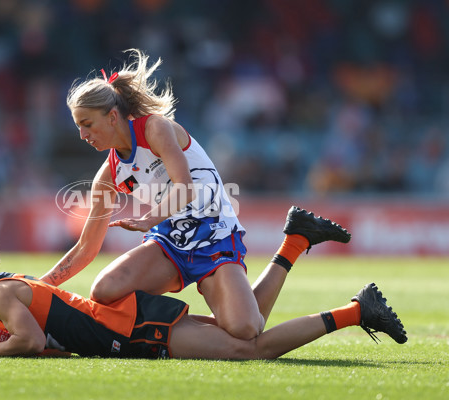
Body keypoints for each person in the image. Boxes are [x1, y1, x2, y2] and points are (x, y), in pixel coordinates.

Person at [41, 48, 351, 340]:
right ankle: (181, 330)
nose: (82, 135)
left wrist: (151, 218)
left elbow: (185, 188)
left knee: (245, 329)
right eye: (78, 126)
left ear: (111, 116)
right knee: (105, 292)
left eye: (87, 124)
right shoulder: (108, 174)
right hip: (168, 241)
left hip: (213, 233)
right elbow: (85, 247)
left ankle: (291, 247)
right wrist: (40, 287)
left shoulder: (155, 129)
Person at [0, 232, 407, 359]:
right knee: (241, 332)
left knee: (249, 348)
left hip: (134, 329)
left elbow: (31, 341)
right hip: (128, 322)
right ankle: (295, 245)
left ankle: (356, 311)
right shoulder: (6, 288)